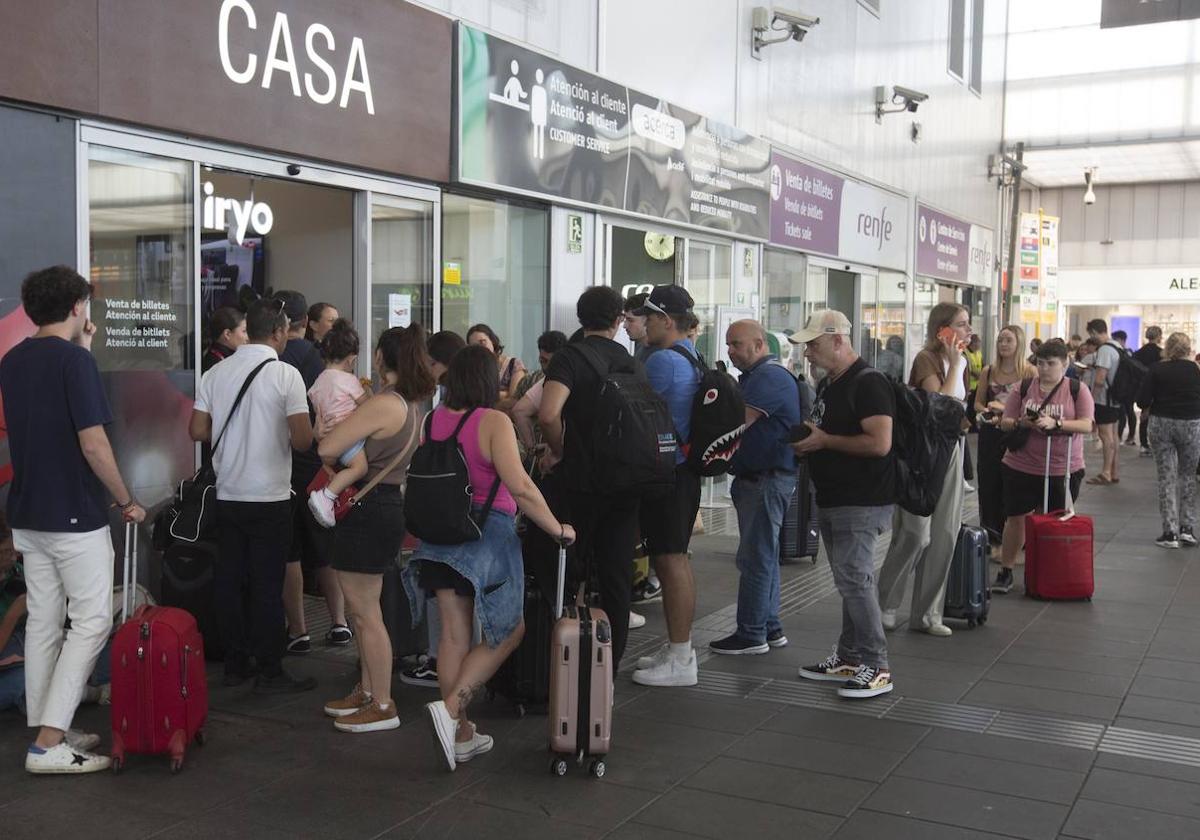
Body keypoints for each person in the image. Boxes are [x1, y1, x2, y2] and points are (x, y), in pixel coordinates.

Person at [1, 265, 147, 773]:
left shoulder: (15, 360)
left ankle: (45, 724)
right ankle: (48, 742)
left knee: (44, 619)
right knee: (89, 622)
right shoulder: (74, 365)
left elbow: (50, 404)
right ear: (77, 307)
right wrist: (126, 498)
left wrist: (82, 347)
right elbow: (92, 442)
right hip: (74, 514)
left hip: (28, 511)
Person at [408, 345, 576, 771]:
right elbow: (519, 486)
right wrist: (557, 527)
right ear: (487, 379)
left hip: (438, 538)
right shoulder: (493, 421)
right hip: (486, 537)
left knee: (452, 635)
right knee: (508, 631)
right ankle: (449, 711)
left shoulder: (433, 419)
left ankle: (461, 733)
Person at [189, 298, 318, 694]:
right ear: (278, 332)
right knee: (266, 582)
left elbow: (196, 431)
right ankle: (269, 667)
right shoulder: (285, 375)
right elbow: (301, 440)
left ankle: (235, 662)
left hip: (228, 494)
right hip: (270, 497)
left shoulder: (216, 373)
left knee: (229, 580)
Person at [318, 325, 436, 731]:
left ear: (384, 358)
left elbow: (327, 447)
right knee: (361, 609)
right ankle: (368, 692)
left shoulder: (386, 403)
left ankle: (382, 703)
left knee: (366, 614)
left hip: (369, 508)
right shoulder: (409, 404)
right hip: (382, 506)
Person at [791, 310, 897, 699]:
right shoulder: (830, 384)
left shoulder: (869, 384)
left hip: (862, 498)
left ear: (838, 340)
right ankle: (852, 656)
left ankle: (877, 664)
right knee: (849, 581)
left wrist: (824, 442)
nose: (808, 354)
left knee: (855, 580)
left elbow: (879, 443)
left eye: (814, 345)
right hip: (836, 496)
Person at [539, 286, 642, 667]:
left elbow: (548, 414)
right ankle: (607, 671)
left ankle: (563, 658)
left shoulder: (570, 357)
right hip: (626, 481)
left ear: (581, 319)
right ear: (618, 321)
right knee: (616, 575)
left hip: (581, 479)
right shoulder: (630, 360)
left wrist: (559, 449)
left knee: (565, 565)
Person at [619, 285, 703, 687]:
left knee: (671, 562)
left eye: (648, 317)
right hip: (682, 474)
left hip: (670, 475)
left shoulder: (664, 361)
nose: (643, 324)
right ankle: (677, 648)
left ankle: (683, 657)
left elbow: (631, 411)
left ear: (666, 321)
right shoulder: (689, 354)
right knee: (674, 560)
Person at [877, 303, 971, 637]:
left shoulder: (964, 361)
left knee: (945, 532)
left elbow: (958, 409)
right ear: (942, 329)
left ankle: (928, 613)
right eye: (961, 324)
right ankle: (885, 602)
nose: (967, 331)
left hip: (951, 451)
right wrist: (955, 365)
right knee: (915, 532)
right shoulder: (927, 360)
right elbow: (938, 407)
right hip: (922, 454)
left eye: (968, 324)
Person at [707, 319, 799, 656]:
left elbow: (734, 424)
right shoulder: (757, 378)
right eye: (728, 344)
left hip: (766, 479)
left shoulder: (769, 378)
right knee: (764, 555)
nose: (730, 351)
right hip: (761, 477)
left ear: (760, 345)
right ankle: (769, 626)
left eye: (737, 344)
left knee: (756, 558)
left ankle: (751, 633)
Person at [270, 291, 348, 652]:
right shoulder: (320, 361)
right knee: (326, 550)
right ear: (307, 322)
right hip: (319, 467)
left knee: (289, 553)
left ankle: (298, 630)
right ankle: (339, 623)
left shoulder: (273, 357)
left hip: (281, 467)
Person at [990, 340, 1095, 592]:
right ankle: (1006, 569)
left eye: (1051, 363)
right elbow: (1006, 421)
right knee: (1015, 518)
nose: (1045, 368)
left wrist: (1057, 424)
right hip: (1021, 464)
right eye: (1040, 363)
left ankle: (1050, 570)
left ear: (1065, 364)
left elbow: (1086, 424)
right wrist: (1023, 423)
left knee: (1055, 519)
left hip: (1063, 467)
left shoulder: (1077, 390)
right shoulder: (1024, 387)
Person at [974, 325, 1036, 548]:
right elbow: (978, 402)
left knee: (1015, 485)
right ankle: (991, 534)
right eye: (1000, 340)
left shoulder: (1029, 372)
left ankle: (1017, 539)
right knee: (989, 483)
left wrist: (1006, 411)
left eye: (1008, 340)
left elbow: (1034, 405)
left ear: (1019, 343)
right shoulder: (988, 371)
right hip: (991, 433)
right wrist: (988, 410)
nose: (1003, 345)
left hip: (1017, 435)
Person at [1137, 332, 1200, 549]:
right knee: (1188, 476)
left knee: (1167, 477)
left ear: (1168, 347)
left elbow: (1142, 399)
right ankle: (1188, 530)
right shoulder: (1196, 369)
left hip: (1162, 423)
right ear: (1188, 348)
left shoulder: (1157, 368)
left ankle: (1169, 532)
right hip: (1192, 424)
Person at [307, 320, 372, 528]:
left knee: (341, 470)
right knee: (360, 468)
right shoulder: (348, 380)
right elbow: (368, 407)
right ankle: (326, 496)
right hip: (347, 437)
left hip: (327, 439)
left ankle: (330, 496)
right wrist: (367, 388)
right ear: (351, 359)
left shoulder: (317, 384)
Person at [511, 330, 568, 452]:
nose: (546, 367)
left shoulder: (557, 379)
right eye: (543, 361)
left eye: (551, 362)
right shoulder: (533, 381)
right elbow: (518, 410)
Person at [1086, 318, 1122, 486]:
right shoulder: (1117, 346)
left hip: (1104, 399)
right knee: (1113, 435)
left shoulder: (1105, 350)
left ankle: (1106, 472)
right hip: (1115, 398)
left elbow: (1100, 380)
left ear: (1094, 332)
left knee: (1105, 435)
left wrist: (1090, 399)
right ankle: (1114, 471)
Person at [467, 323, 526, 405]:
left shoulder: (514, 364)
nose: (479, 349)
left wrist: (484, 397)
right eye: (474, 346)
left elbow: (514, 399)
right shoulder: (471, 369)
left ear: (492, 341)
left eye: (482, 342)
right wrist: (504, 393)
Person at [1134, 326, 1164, 457]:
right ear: (1159, 336)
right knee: (1158, 418)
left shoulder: (1139, 352)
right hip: (1158, 388)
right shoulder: (1162, 353)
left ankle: (1143, 445)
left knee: (1144, 417)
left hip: (1142, 387)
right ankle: (1157, 445)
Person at [202, 306, 248, 373]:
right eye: (244, 331)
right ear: (227, 334)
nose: (247, 337)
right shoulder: (216, 364)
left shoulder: (225, 357)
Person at [1111, 330, 1137, 444]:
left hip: (1126, 388)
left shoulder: (1126, 353)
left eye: (1114, 339)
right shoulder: (1127, 353)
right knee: (1124, 412)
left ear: (1121, 340)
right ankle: (1123, 437)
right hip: (1125, 387)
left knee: (1127, 412)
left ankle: (1126, 436)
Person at [623, 292, 657, 364]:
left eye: (630, 320)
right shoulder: (640, 347)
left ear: (648, 320)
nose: (624, 325)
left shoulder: (659, 355)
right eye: (625, 319)